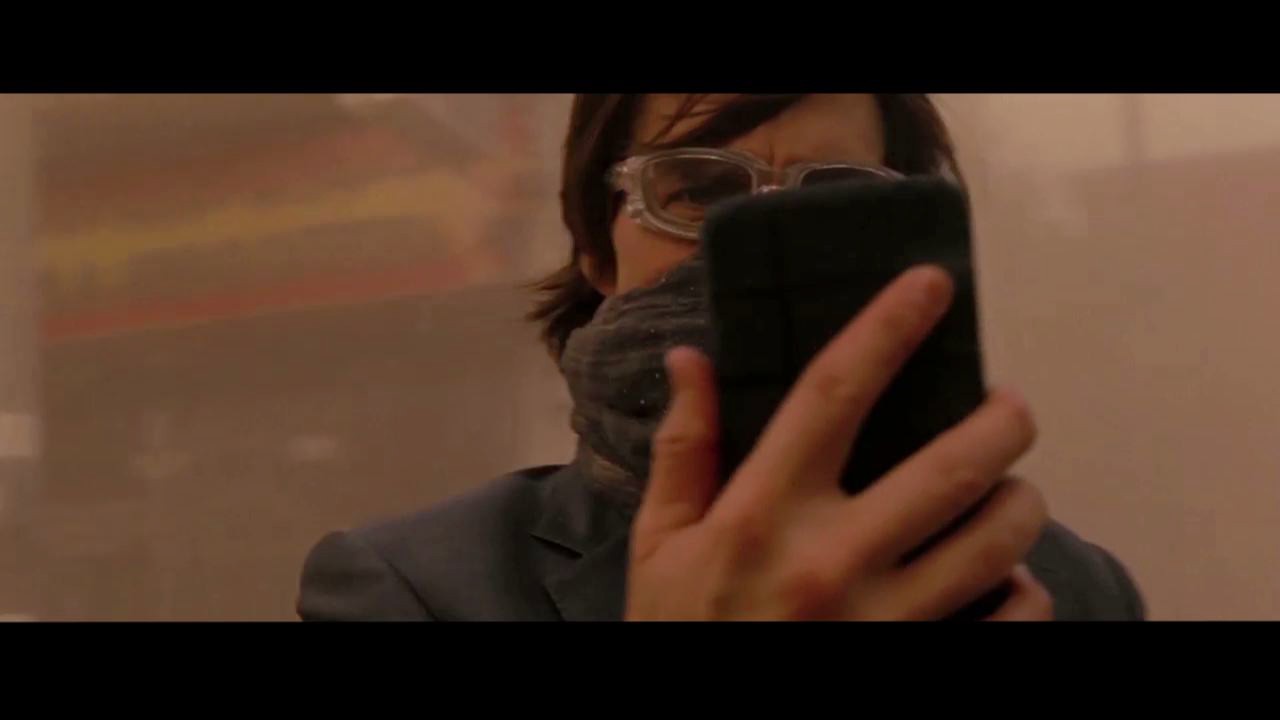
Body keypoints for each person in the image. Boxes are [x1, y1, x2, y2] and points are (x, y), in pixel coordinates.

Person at [296, 94, 1146, 621]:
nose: (756, 240)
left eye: (835, 196)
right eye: (698, 190)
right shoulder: (410, 592)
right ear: (595, 248)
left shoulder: (1075, 591)